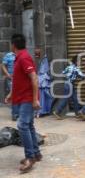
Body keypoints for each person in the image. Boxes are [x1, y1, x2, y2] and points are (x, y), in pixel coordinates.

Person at [5, 34, 42, 173]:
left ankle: (30, 157)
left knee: (22, 125)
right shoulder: (18, 58)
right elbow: (19, 80)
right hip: (21, 98)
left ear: (13, 45)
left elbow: (34, 78)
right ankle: (36, 153)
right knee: (29, 125)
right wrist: (10, 94)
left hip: (27, 98)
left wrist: (34, 99)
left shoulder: (24, 58)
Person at [53, 55, 84, 120]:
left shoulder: (69, 67)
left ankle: (77, 113)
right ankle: (57, 111)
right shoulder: (76, 68)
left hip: (67, 84)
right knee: (65, 99)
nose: (81, 63)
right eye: (80, 61)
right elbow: (82, 76)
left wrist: (70, 76)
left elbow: (63, 72)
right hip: (70, 84)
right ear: (77, 61)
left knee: (75, 99)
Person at [1, 50, 17, 120]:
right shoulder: (8, 55)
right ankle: (15, 114)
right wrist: (7, 74)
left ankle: (19, 113)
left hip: (21, 78)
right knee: (14, 94)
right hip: (11, 78)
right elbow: (2, 65)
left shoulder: (22, 54)